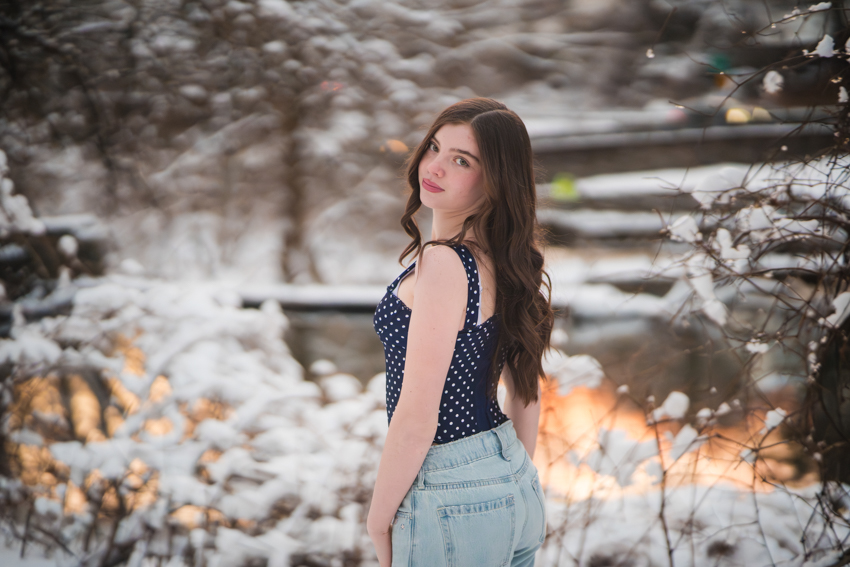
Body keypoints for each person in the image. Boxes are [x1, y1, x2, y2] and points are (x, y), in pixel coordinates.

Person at [367, 97, 554, 567]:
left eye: (462, 160)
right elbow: (526, 390)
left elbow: (417, 416)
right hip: (513, 479)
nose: (434, 166)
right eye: (434, 147)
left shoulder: (445, 264)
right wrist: (505, 480)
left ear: (496, 181)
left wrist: (378, 519)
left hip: (448, 487)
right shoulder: (504, 258)